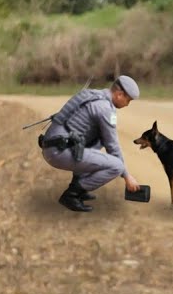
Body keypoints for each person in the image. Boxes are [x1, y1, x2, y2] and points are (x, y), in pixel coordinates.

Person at [38, 76, 142, 212]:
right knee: (117, 166)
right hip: (58, 151)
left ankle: (80, 187)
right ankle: (72, 195)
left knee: (99, 138)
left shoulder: (94, 95)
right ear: (119, 95)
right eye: (128, 100)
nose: (128, 104)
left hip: (53, 145)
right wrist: (127, 176)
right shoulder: (105, 109)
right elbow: (113, 146)